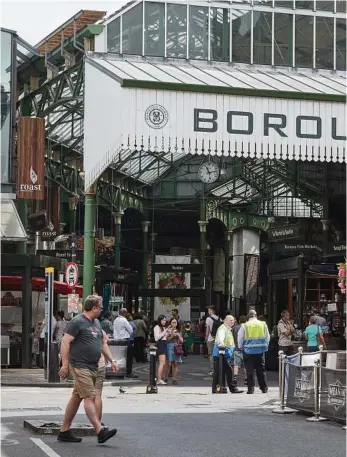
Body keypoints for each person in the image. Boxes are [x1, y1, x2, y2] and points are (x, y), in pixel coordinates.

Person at [58, 295, 118, 444]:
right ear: (94, 308)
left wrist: (112, 360)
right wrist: (65, 365)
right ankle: (99, 430)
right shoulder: (77, 322)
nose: (102, 309)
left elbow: (103, 344)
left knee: (76, 398)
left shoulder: (97, 323)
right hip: (79, 365)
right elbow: (65, 343)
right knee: (90, 397)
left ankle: (64, 431)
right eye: (101, 307)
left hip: (93, 366)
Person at [238, 309, 270, 395]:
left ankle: (250, 389)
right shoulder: (263, 324)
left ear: (248, 316)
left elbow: (240, 338)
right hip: (260, 351)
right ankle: (264, 388)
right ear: (256, 315)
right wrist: (265, 345)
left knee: (249, 371)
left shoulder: (244, 325)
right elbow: (267, 337)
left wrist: (240, 347)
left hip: (248, 351)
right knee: (261, 370)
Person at [212, 315, 243, 394]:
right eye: (230, 320)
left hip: (223, 353)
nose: (232, 322)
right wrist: (221, 343)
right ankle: (231, 388)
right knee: (228, 371)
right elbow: (220, 337)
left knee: (220, 371)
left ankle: (219, 388)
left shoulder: (228, 329)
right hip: (221, 353)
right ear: (225, 321)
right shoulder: (223, 328)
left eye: (233, 320)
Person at [113, 308, 137, 379]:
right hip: (125, 341)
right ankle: (128, 372)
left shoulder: (116, 320)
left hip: (117, 340)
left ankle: (119, 370)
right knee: (128, 357)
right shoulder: (124, 320)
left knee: (119, 357)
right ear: (125, 313)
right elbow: (131, 330)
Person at [164, 317, 183, 385]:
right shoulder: (168, 330)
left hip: (177, 347)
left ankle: (174, 379)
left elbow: (182, 340)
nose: (174, 324)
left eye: (175, 322)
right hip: (169, 346)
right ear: (170, 323)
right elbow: (167, 339)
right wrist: (172, 335)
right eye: (173, 322)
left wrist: (178, 335)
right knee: (168, 363)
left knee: (175, 363)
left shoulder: (178, 330)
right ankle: (165, 378)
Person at [153, 315, 170, 385]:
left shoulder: (163, 327)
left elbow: (165, 337)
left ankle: (160, 378)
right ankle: (159, 379)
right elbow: (157, 338)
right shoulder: (156, 327)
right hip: (160, 344)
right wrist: (165, 331)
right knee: (161, 363)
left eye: (165, 320)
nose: (164, 321)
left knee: (164, 363)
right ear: (159, 320)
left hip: (165, 343)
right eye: (163, 320)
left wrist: (168, 333)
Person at [232, 315, 247, 387]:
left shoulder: (235, 328)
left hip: (236, 348)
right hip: (246, 349)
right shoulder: (247, 328)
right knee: (245, 365)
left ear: (239, 321)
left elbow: (232, 338)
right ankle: (246, 380)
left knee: (236, 364)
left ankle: (235, 377)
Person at [205, 306, 221, 375]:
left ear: (212, 310)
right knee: (217, 354)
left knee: (211, 354)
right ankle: (218, 369)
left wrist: (206, 337)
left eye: (209, 310)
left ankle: (212, 370)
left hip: (210, 338)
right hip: (217, 339)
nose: (208, 311)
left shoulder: (208, 319)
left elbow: (207, 330)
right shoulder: (219, 319)